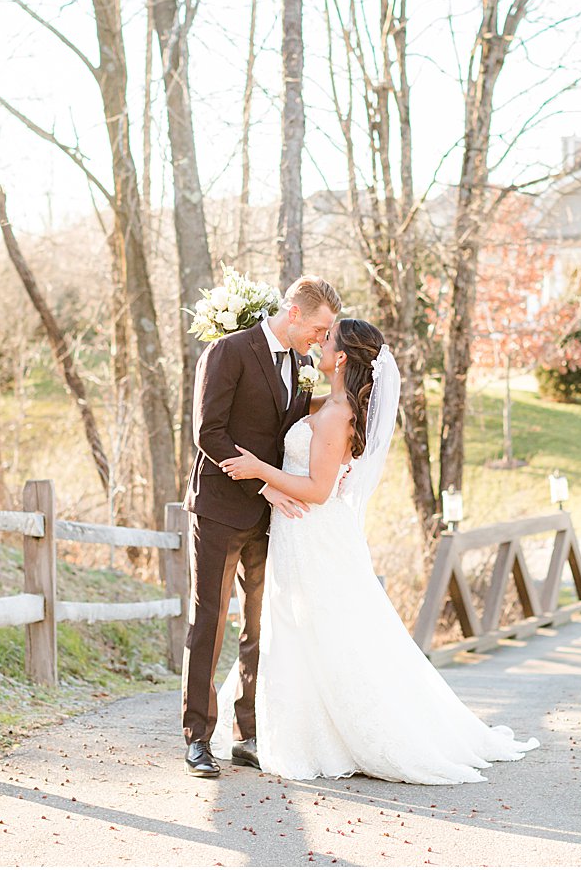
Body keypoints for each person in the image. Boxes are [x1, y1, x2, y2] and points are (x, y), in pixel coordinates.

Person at [211, 318, 539, 784]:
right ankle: (298, 728)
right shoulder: (329, 404)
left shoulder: (337, 413)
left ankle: (347, 734)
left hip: (313, 532)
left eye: (327, 340)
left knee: (326, 632)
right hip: (302, 532)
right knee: (303, 630)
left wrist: (258, 469)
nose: (319, 343)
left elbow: (319, 489)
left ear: (342, 357)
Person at [180, 276, 341, 778]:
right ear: (293, 313)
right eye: (319, 327)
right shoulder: (229, 351)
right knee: (208, 620)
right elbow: (209, 431)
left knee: (259, 625)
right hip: (221, 509)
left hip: (272, 520)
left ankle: (245, 734)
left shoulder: (300, 365)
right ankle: (197, 739)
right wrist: (265, 487)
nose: (321, 338)